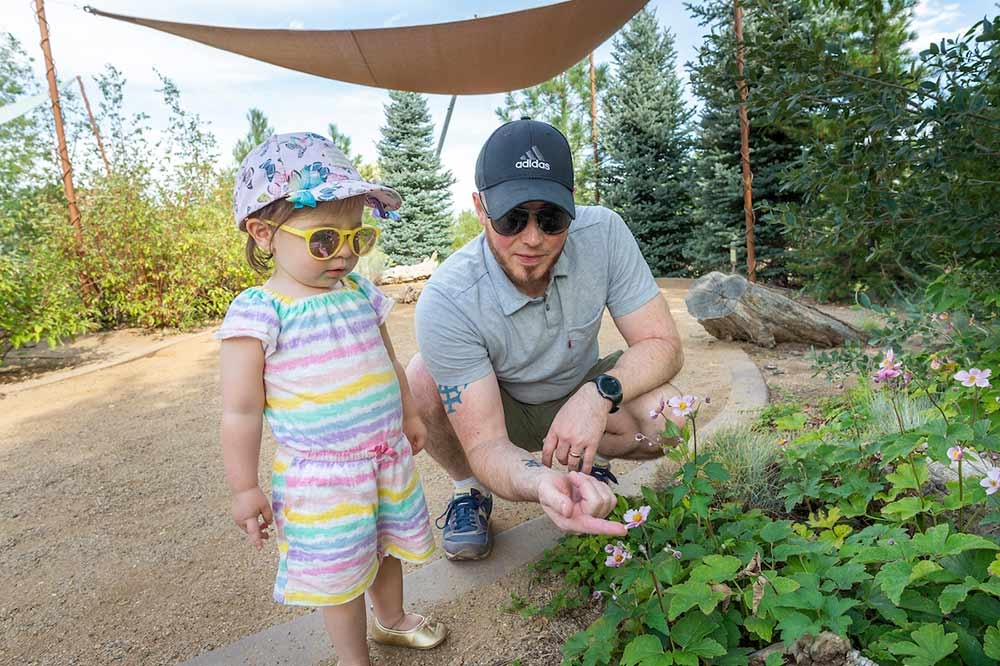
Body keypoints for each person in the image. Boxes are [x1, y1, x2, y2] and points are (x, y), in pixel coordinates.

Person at [407, 119, 686, 561]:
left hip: (579, 389)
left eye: (551, 219)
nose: (533, 239)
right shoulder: (448, 297)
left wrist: (598, 395)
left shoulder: (604, 233)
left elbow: (663, 343)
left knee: (672, 417)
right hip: (502, 406)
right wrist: (541, 483)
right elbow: (486, 443)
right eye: (512, 219)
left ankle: (588, 463)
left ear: (571, 205)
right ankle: (469, 490)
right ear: (480, 208)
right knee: (421, 378)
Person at [218, 132, 446, 666]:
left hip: (384, 458)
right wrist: (244, 487)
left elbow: (389, 361)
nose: (344, 252)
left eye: (356, 238)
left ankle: (391, 620)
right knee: (340, 573)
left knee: (386, 546)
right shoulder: (261, 312)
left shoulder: (360, 293)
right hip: (323, 479)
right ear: (264, 234)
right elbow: (240, 410)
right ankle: (351, 656)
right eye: (323, 240)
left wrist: (409, 412)